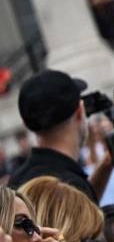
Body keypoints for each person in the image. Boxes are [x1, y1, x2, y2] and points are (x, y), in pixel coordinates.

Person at [7, 70, 98, 199]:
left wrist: (106, 164)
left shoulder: (18, 180)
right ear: (79, 111)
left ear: (26, 123)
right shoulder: (68, 185)